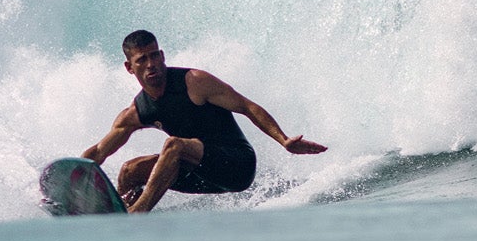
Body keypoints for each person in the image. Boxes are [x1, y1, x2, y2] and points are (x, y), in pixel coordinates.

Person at [82, 30, 326, 213]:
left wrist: (283, 140)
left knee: (174, 145)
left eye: (154, 55)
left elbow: (247, 106)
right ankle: (123, 222)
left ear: (162, 55)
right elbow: (100, 151)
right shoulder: (137, 110)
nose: (151, 64)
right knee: (129, 171)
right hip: (197, 174)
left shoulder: (194, 82)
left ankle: (138, 213)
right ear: (129, 67)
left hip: (236, 166)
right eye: (142, 59)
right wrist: (73, 175)